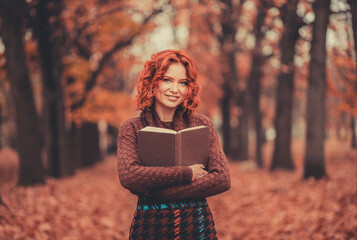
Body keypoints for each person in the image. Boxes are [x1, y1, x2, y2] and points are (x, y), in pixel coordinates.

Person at [117, 49, 231, 240]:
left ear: (189, 88)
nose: (175, 89)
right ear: (152, 82)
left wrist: (157, 192)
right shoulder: (132, 128)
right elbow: (129, 175)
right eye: (167, 80)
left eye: (183, 83)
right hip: (150, 225)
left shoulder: (202, 124)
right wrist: (188, 173)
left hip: (195, 222)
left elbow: (222, 179)